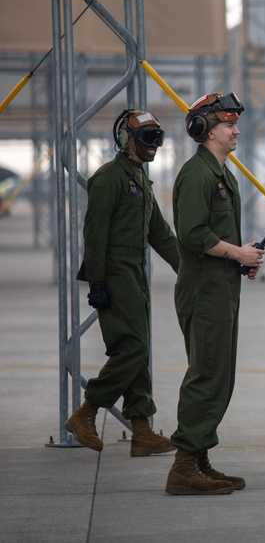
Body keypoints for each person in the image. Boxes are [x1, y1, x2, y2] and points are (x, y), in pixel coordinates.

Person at [164, 92, 264, 496]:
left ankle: (199, 458)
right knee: (206, 373)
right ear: (205, 130)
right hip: (204, 290)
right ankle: (183, 466)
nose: (236, 130)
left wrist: (242, 259)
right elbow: (191, 234)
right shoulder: (198, 175)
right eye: (228, 125)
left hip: (221, 287)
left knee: (220, 375)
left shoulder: (223, 174)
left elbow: (214, 235)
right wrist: (236, 252)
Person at [67, 109, 180, 457]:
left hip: (135, 274)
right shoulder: (109, 179)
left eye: (157, 139)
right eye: (146, 138)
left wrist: (189, 268)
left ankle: (142, 429)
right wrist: (97, 282)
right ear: (125, 139)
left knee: (139, 349)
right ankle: (87, 412)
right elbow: (95, 234)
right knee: (132, 349)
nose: (153, 146)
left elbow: (159, 234)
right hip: (114, 274)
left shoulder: (140, 181)